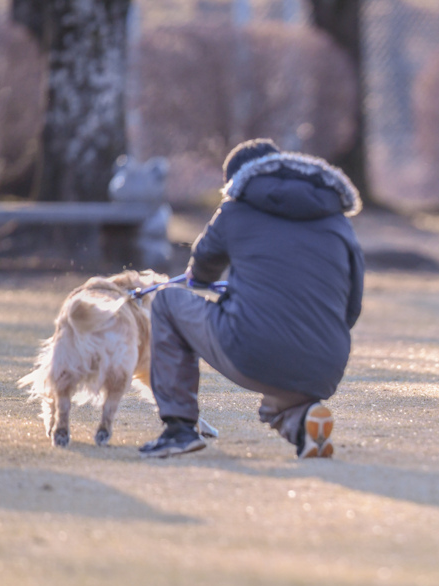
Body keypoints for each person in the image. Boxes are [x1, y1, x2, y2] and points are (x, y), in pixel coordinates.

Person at [139, 138, 364, 458]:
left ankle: (179, 428)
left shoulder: (235, 210)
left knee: (166, 302)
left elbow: (201, 272)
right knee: (284, 384)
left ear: (236, 181)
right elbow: (352, 307)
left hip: (253, 349)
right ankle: (303, 423)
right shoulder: (338, 221)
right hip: (327, 363)